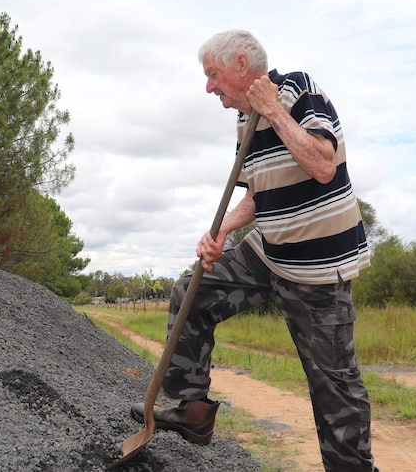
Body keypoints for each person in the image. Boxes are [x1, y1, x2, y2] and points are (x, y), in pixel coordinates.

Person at [130, 30, 377, 471]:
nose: (209, 87)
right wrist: (221, 230)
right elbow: (255, 196)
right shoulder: (245, 121)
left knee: (333, 387)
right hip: (269, 250)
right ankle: (193, 411)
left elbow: (324, 164)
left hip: (318, 266)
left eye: (213, 76)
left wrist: (274, 111)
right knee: (192, 292)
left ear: (241, 65)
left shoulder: (298, 90)